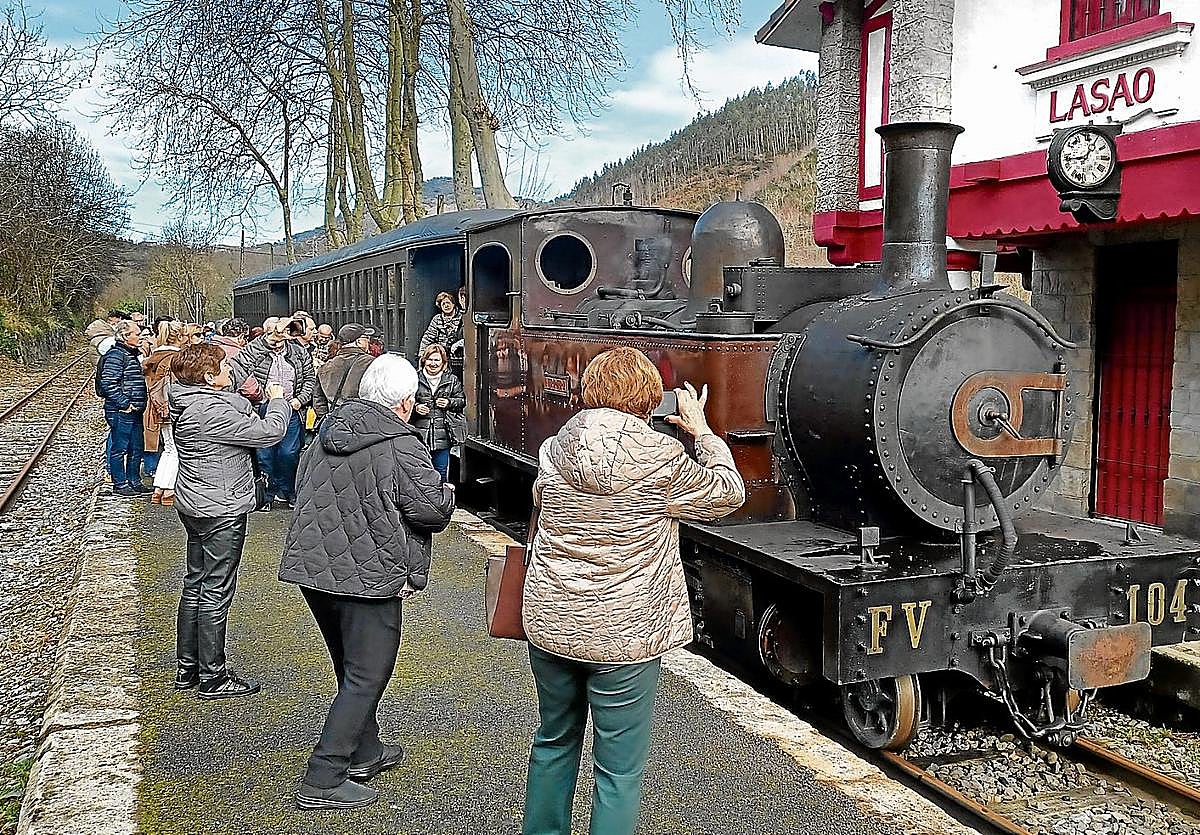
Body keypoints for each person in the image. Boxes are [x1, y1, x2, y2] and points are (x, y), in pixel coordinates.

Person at [520, 347, 745, 835]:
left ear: (590, 391)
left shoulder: (556, 448)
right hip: (625, 633)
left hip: (552, 622)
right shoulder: (661, 460)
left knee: (554, 742)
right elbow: (729, 492)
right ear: (648, 398)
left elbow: (542, 511)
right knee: (617, 770)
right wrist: (701, 431)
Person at [279, 354, 455, 811]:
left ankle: (366, 752)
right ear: (405, 402)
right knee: (367, 674)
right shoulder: (401, 444)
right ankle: (322, 777)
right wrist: (449, 490)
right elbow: (431, 511)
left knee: (351, 666)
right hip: (368, 573)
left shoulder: (328, 432)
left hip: (313, 568)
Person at [169, 343, 290, 699]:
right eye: (222, 368)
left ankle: (187, 668)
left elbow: (238, 372)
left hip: (195, 502)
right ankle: (213, 675)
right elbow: (270, 432)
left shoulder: (187, 400)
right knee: (216, 589)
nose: (228, 372)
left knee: (196, 583)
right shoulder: (210, 411)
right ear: (208, 377)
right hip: (221, 506)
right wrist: (279, 399)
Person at [231, 317, 316, 508]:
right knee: (265, 454)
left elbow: (310, 379)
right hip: (264, 407)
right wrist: (260, 397)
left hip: (290, 407)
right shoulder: (257, 353)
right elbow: (243, 370)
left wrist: (299, 400)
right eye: (272, 333)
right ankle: (267, 493)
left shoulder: (299, 353)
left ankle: (287, 490)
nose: (278, 337)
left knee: (289, 453)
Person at [97, 320, 149, 497]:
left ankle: (134, 481)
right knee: (120, 448)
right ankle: (120, 483)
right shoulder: (117, 355)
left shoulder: (128, 354)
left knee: (136, 448)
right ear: (126, 336)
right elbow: (108, 382)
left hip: (134, 409)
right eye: (136, 333)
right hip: (121, 410)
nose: (140, 335)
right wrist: (124, 403)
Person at [143, 320, 190, 506]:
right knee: (176, 449)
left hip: (156, 409)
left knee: (169, 448)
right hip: (172, 409)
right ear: (179, 337)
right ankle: (169, 489)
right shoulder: (175, 359)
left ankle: (159, 489)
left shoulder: (155, 356)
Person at [410, 343, 465, 483]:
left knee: (441, 472)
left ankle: (441, 502)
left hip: (443, 436)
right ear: (424, 361)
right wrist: (416, 407)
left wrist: (449, 403)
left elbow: (461, 401)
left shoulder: (452, 381)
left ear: (443, 363)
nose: (433, 364)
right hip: (420, 435)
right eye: (430, 360)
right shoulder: (414, 379)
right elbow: (406, 400)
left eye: (437, 360)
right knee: (420, 472)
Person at [312, 324, 376, 422]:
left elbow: (318, 400)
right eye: (366, 338)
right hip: (362, 422)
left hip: (334, 421)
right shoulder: (372, 363)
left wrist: (326, 418)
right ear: (358, 341)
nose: (368, 341)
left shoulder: (326, 367)